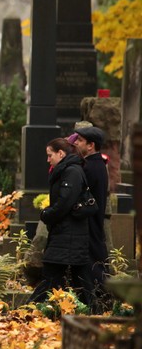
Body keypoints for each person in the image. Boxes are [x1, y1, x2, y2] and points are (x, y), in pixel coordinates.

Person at [27, 137, 94, 309]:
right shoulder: (69, 170)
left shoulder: (71, 172)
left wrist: (46, 214)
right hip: (68, 234)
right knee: (77, 280)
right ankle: (93, 310)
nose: (47, 160)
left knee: (52, 276)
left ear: (61, 153)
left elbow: (65, 203)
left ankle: (30, 310)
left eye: (50, 156)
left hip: (68, 235)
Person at [72, 125, 109, 310]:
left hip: (89, 221)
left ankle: (100, 300)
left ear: (90, 145)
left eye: (79, 140)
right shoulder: (96, 164)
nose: (76, 143)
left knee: (93, 261)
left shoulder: (91, 167)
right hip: (93, 220)